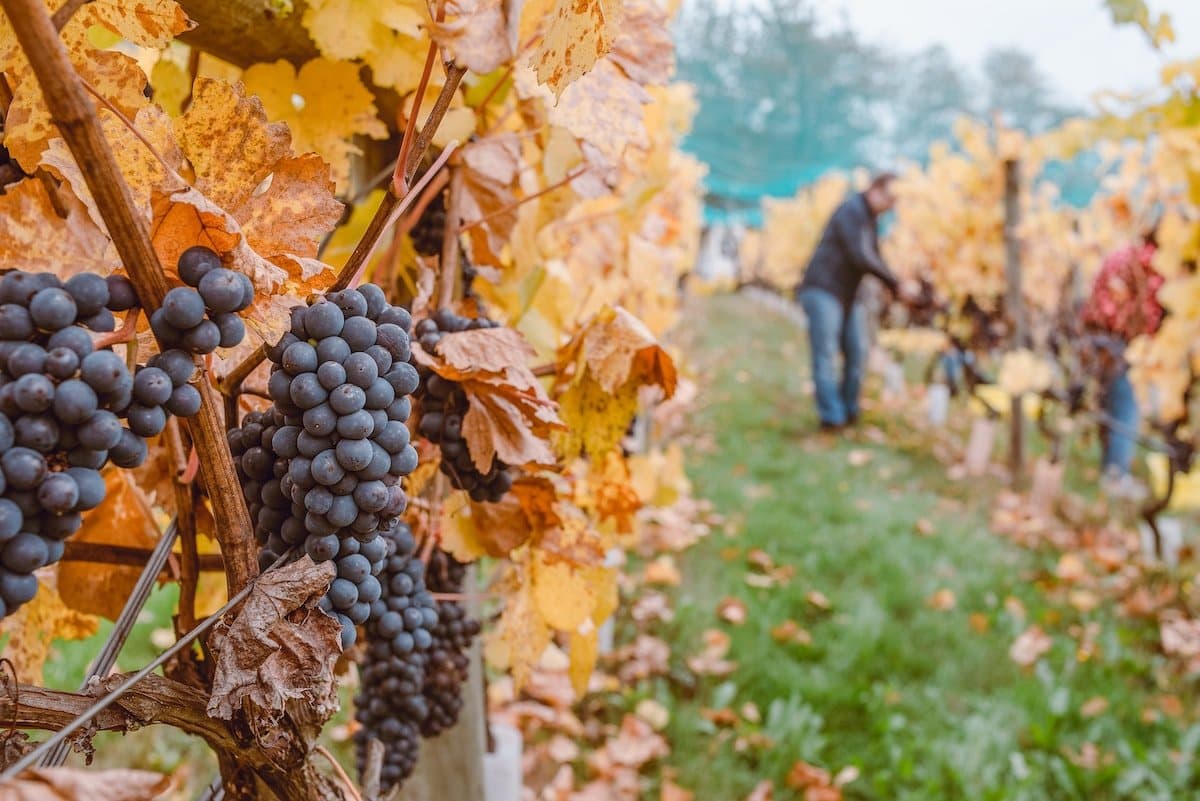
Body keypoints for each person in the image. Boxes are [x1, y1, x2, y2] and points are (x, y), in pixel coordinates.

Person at [794, 173, 904, 430]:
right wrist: (895, 283)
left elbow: (875, 256)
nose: (891, 206)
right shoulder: (851, 211)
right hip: (823, 289)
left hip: (847, 294)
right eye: (889, 198)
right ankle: (832, 418)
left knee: (857, 351)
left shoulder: (870, 220)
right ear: (875, 190)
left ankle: (849, 410)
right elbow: (861, 255)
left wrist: (895, 283)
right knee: (826, 354)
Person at [1080, 227, 1163, 482]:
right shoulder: (1155, 262)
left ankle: (1110, 468)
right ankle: (1116, 475)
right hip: (1124, 343)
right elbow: (1152, 311)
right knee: (1126, 408)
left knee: (1110, 405)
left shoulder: (1124, 253)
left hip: (1097, 337)